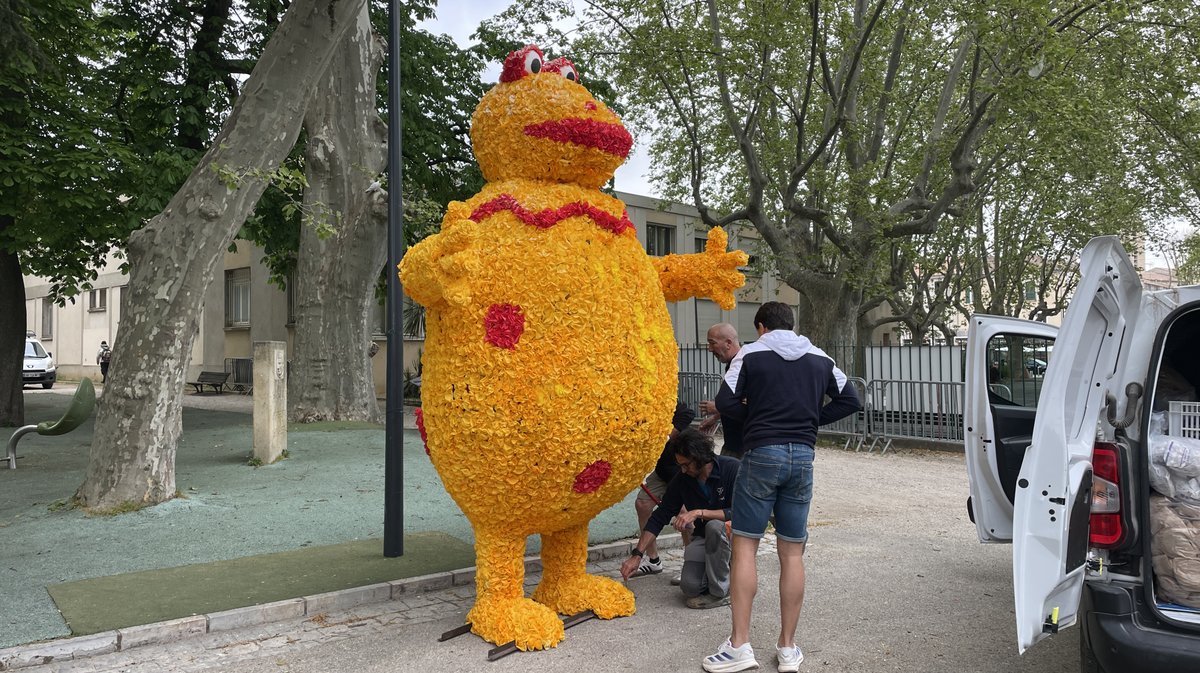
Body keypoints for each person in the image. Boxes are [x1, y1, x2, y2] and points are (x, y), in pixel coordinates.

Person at [702, 302, 861, 673]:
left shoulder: (751, 355)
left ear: (760, 327)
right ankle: (788, 649)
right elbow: (851, 398)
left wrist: (758, 413)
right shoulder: (820, 358)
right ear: (792, 325)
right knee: (792, 553)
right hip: (802, 458)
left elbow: (725, 401)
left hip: (761, 455)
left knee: (744, 546)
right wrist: (809, 417)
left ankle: (740, 645)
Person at [621, 427, 740, 609]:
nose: (683, 470)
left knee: (715, 526)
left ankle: (720, 593)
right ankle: (723, 573)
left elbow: (741, 512)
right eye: (680, 466)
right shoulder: (682, 480)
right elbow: (659, 517)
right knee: (690, 588)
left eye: (686, 465)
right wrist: (637, 555)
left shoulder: (731, 468)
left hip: (735, 537)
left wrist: (699, 512)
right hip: (704, 538)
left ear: (700, 457)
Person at [630, 401, 696, 578]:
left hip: (681, 469)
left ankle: (691, 565)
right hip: (662, 471)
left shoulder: (669, 403)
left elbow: (688, 413)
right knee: (643, 504)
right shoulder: (639, 406)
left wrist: (667, 436)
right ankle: (653, 562)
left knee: (685, 516)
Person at [698, 323, 744, 459]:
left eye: (712, 343)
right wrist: (716, 416)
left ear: (728, 343)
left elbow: (748, 402)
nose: (709, 349)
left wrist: (717, 407)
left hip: (743, 446)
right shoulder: (734, 364)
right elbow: (736, 400)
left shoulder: (744, 365)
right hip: (733, 443)